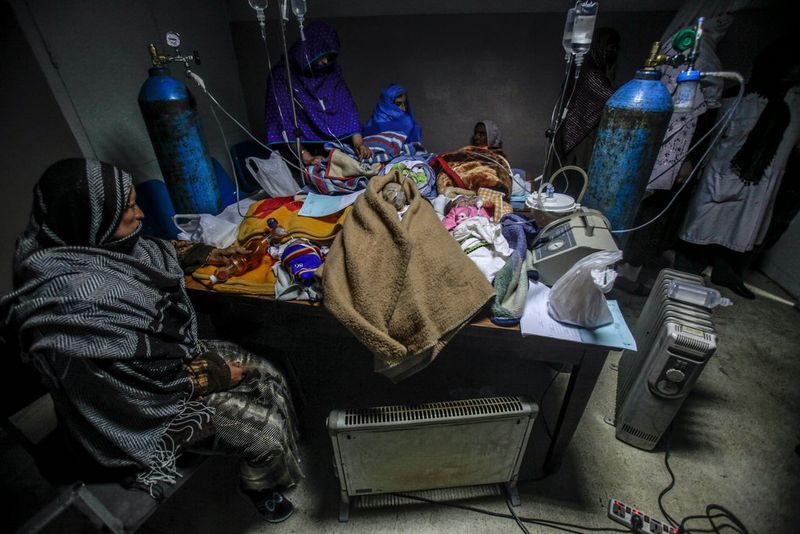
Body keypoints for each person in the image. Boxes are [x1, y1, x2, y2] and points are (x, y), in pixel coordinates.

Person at [0, 159, 303, 522]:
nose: (140, 214)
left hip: (159, 365)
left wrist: (207, 254)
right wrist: (214, 376)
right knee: (263, 432)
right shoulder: (76, 305)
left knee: (268, 370)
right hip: (131, 409)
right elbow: (124, 388)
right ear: (93, 217)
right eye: (128, 208)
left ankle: (281, 449)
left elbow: (149, 252)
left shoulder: (84, 242)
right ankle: (263, 488)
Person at [677, 37, 800, 298]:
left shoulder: (787, 105)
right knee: (702, 226)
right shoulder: (739, 97)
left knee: (741, 230)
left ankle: (726, 272)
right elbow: (711, 135)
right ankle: (684, 272)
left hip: (757, 179)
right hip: (723, 170)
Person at [264, 21, 372, 168]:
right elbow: (282, 123)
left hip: (335, 144)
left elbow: (348, 109)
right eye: (322, 55)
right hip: (298, 149)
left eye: (330, 56)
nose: (326, 61)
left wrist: (359, 144)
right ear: (309, 50)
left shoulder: (331, 71)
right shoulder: (283, 76)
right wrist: (306, 157)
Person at [554, 27, 620, 174]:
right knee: (577, 173)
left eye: (615, 48)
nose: (612, 52)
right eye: (609, 47)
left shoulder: (593, 71)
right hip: (580, 134)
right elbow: (612, 98)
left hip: (587, 134)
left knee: (580, 174)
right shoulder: (590, 74)